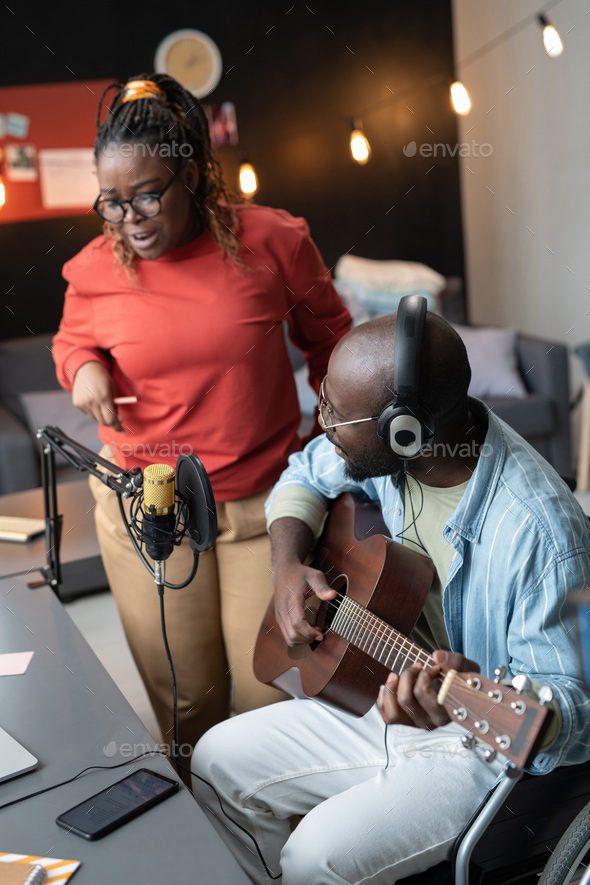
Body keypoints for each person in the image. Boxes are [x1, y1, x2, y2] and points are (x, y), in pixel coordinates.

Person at [192, 297, 590, 884]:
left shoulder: (541, 532)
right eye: (325, 400)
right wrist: (287, 565)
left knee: (315, 858)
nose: (323, 423)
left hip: (476, 741)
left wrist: (471, 691)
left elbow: (576, 707)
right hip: (383, 684)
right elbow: (304, 472)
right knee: (213, 763)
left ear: (404, 432)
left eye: (336, 414)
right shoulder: (404, 452)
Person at [52, 74, 352, 759]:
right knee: (186, 699)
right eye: (113, 203)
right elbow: (71, 340)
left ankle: (269, 837)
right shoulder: (94, 268)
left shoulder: (274, 241)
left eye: (148, 195)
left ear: (190, 173)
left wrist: (329, 443)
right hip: (148, 511)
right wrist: (84, 367)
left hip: (260, 508)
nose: (131, 218)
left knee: (265, 694)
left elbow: (332, 340)